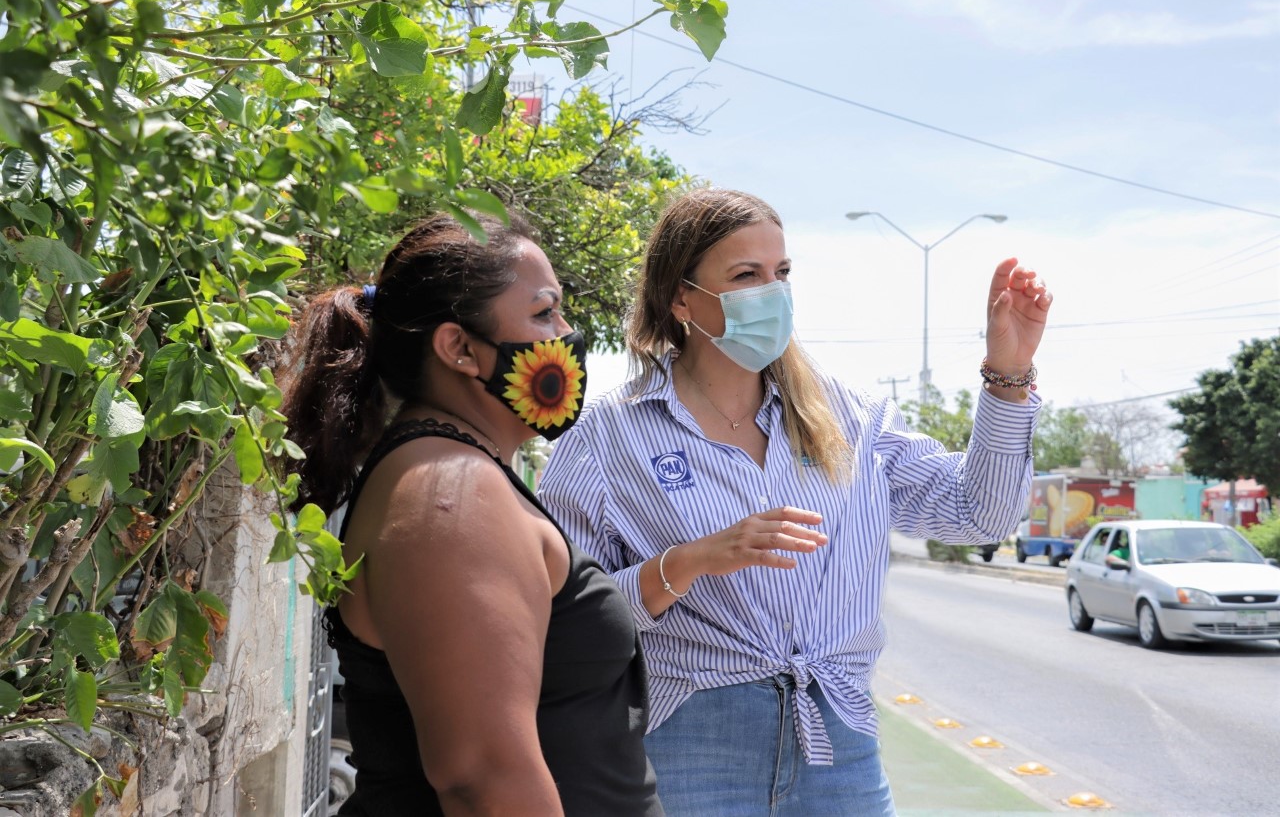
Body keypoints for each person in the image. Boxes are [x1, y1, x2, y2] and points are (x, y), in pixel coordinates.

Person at [537, 188, 1052, 815]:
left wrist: (1008, 376)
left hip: (839, 743)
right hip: (693, 743)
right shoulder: (605, 436)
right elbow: (560, 621)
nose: (772, 293)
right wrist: (688, 562)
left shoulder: (848, 418)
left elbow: (983, 515)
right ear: (680, 297)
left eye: (781, 273)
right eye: (745, 275)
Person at [280, 212, 662, 816]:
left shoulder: (459, 476)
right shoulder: (450, 497)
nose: (566, 334)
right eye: (543, 313)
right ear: (459, 348)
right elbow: (481, 777)